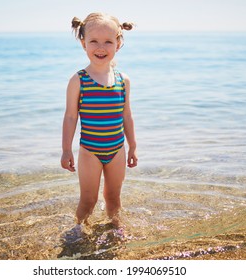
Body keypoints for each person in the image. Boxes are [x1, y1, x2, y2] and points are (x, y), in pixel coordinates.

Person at [61, 12, 138, 230]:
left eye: (108, 41)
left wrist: (133, 146)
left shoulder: (123, 81)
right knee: (89, 200)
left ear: (119, 43)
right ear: (83, 43)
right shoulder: (79, 80)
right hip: (90, 151)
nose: (101, 47)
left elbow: (127, 115)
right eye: (94, 41)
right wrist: (66, 150)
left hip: (117, 149)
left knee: (114, 197)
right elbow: (69, 117)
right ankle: (77, 232)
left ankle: (115, 230)